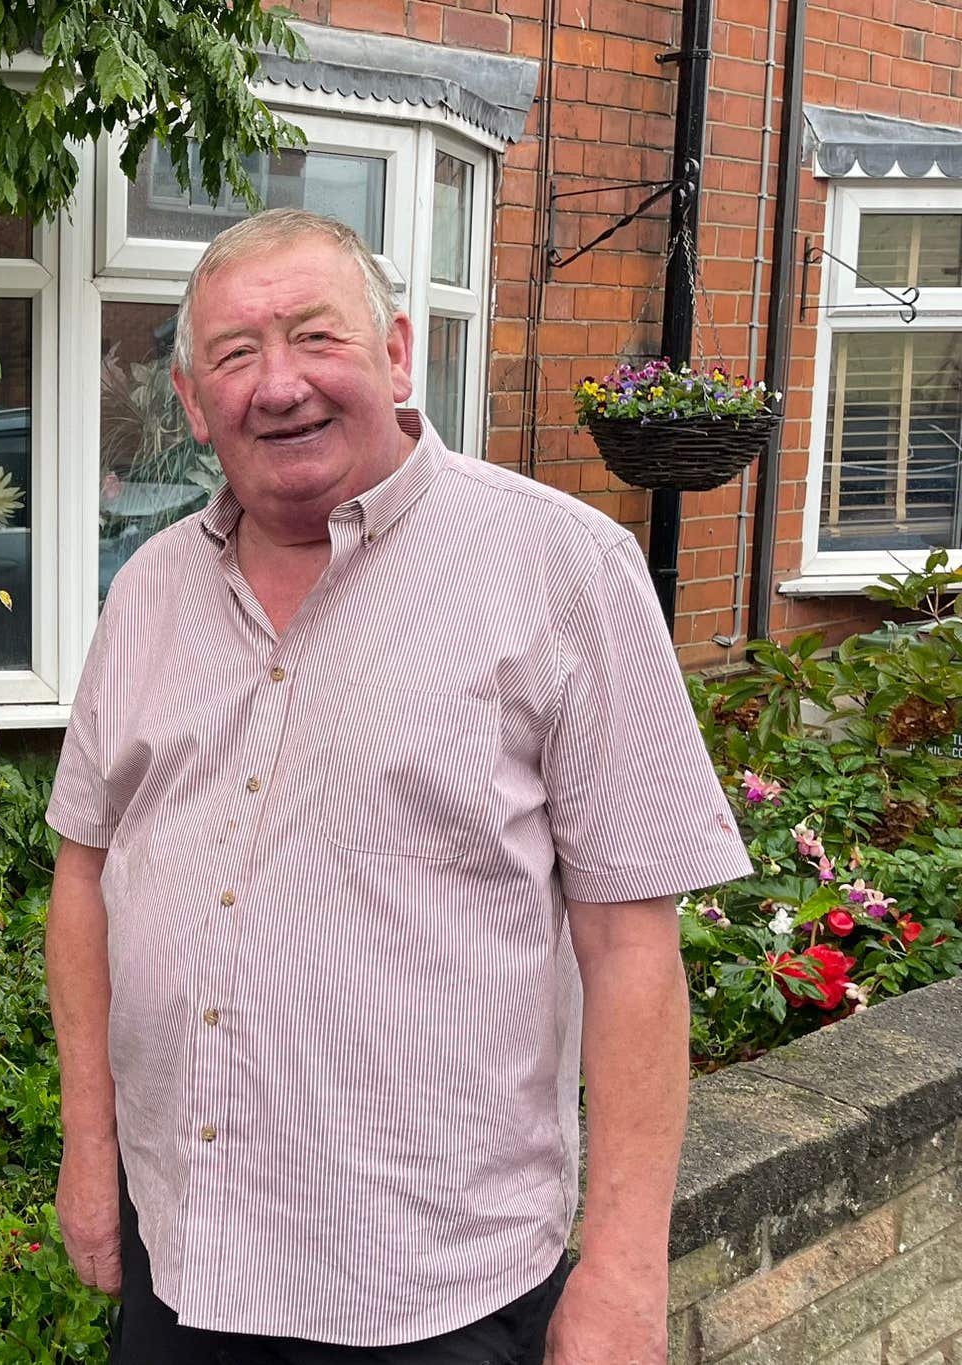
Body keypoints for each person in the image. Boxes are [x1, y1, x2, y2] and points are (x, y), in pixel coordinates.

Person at [43, 208, 751, 1365]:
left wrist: (622, 1270)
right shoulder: (148, 592)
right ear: (188, 400)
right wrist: (89, 1153)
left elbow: (631, 951)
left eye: (315, 337)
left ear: (395, 353)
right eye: (233, 354)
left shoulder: (560, 568)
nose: (277, 386)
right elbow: (85, 874)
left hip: (431, 1293)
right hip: (183, 1257)